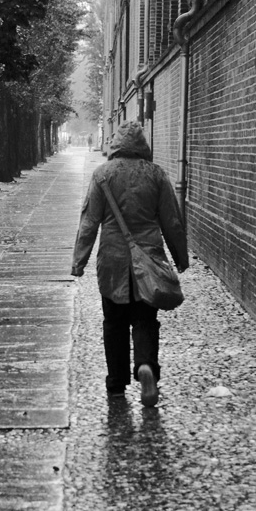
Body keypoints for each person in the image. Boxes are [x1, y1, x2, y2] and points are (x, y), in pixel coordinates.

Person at [71, 121, 188, 407]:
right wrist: (180, 258)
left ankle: (116, 384)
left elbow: (89, 222)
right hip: (148, 258)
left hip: (112, 260)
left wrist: (79, 261)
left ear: (116, 145)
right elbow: (171, 220)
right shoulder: (156, 174)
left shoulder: (102, 175)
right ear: (142, 146)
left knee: (114, 322)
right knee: (146, 319)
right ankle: (146, 366)